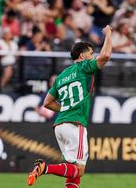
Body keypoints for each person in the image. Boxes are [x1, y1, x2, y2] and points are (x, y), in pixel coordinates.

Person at [26, 25, 113, 188]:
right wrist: (108, 34)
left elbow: (47, 102)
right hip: (75, 124)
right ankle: (44, 168)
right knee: (79, 169)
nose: (93, 56)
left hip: (60, 125)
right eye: (90, 53)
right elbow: (106, 55)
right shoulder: (84, 67)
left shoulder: (61, 76)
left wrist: (64, 109)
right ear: (82, 55)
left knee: (73, 170)